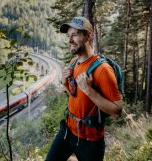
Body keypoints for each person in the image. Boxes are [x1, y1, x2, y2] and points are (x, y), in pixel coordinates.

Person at [45, 17, 122, 161]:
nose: (69, 40)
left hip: (90, 140)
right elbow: (75, 96)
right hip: (67, 131)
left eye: (74, 35)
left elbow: (117, 111)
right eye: (68, 36)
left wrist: (89, 90)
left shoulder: (103, 70)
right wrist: (64, 83)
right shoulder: (73, 63)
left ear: (88, 35)